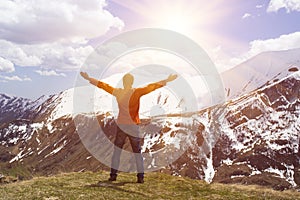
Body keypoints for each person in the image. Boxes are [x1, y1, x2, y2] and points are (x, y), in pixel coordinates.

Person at [80, 71, 177, 183]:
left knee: (117, 151)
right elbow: (151, 87)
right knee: (137, 152)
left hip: (122, 125)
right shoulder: (137, 92)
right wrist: (167, 80)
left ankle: (113, 176)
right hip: (133, 126)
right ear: (132, 82)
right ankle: (140, 177)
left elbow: (104, 86)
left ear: (123, 82)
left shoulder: (118, 92)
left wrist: (89, 78)